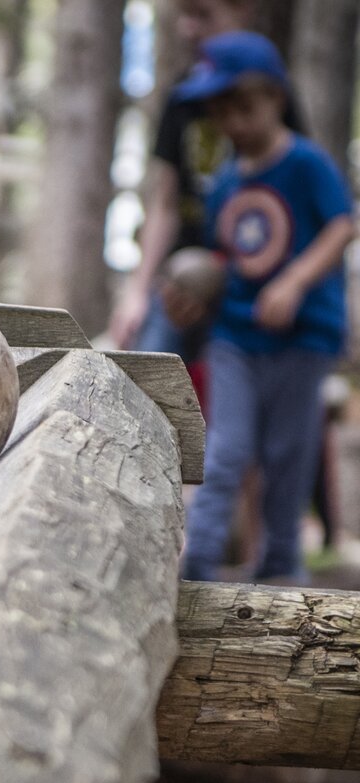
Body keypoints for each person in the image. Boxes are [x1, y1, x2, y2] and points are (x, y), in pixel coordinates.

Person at [170, 32, 354, 583]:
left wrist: (294, 281)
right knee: (226, 450)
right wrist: (193, 285)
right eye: (223, 112)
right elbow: (234, 257)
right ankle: (196, 568)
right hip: (237, 337)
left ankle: (279, 568)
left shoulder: (306, 164)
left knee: (287, 457)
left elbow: (343, 225)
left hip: (303, 339)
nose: (236, 124)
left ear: (276, 98)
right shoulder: (225, 182)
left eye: (246, 107)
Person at [107, 0, 303, 370]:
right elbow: (163, 202)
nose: (188, 28)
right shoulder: (183, 97)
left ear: (243, 10)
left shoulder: (271, 93)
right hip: (178, 279)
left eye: (203, 15)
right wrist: (138, 291)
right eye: (185, 15)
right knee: (147, 369)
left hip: (249, 287)